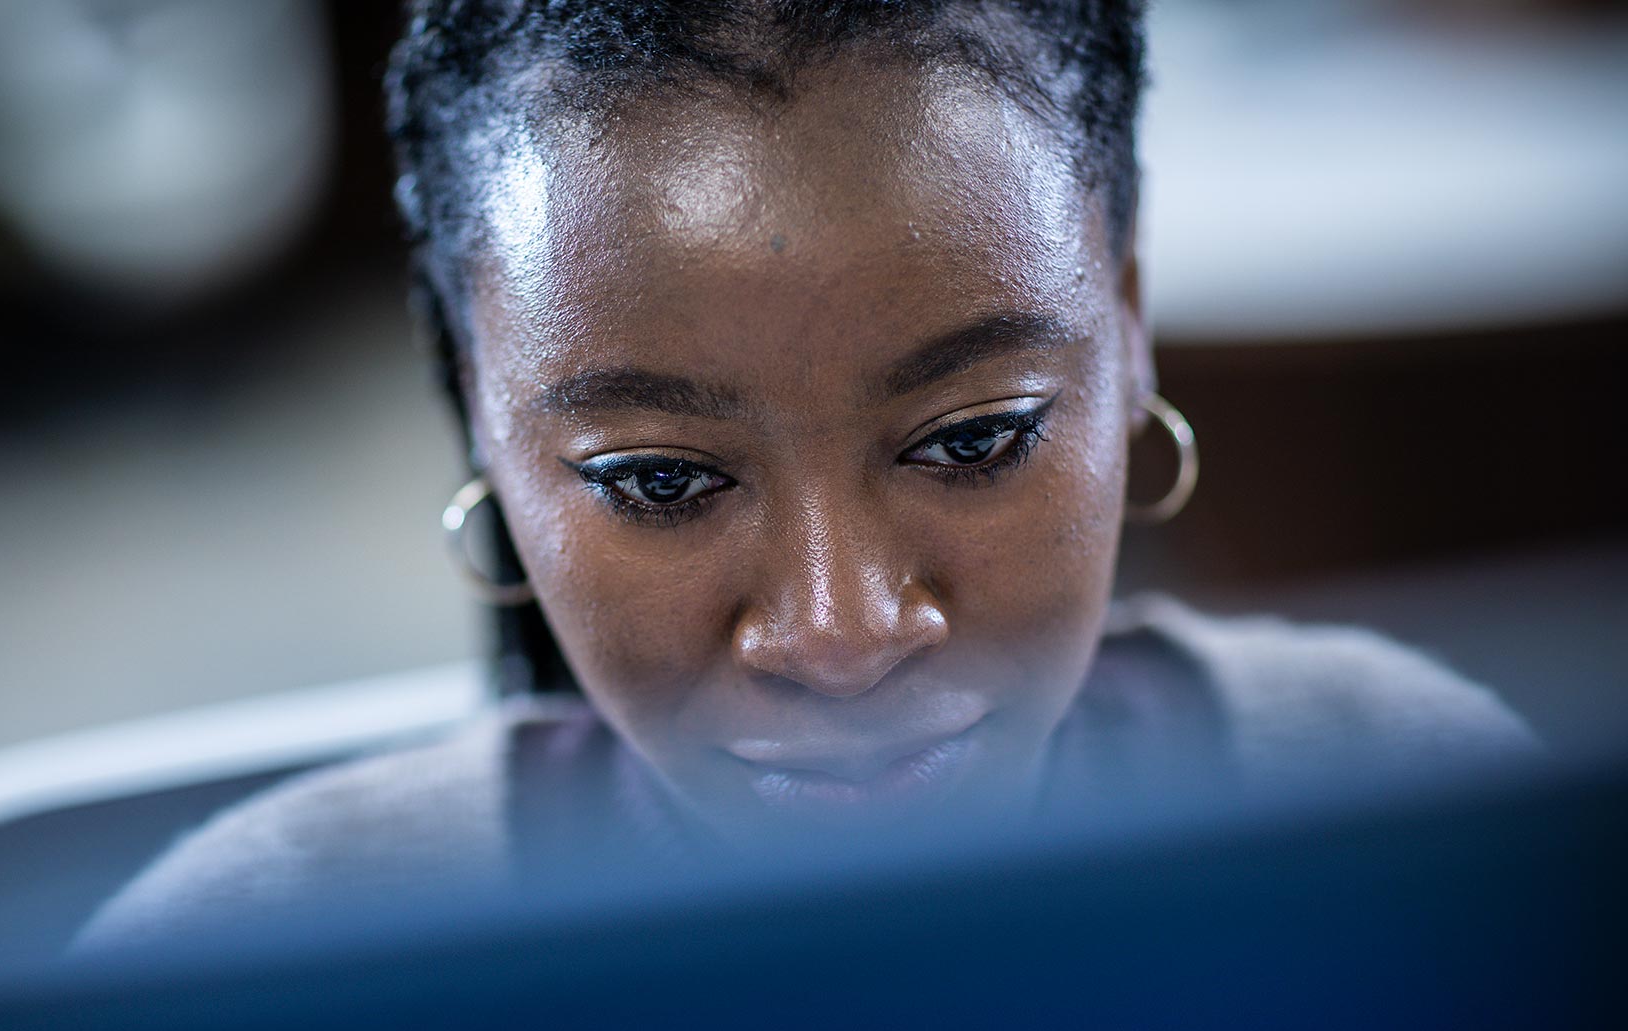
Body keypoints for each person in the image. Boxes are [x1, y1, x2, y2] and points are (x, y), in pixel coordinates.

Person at [76, 0, 1537, 952]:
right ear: (479, 417)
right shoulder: (253, 971)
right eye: (658, 480)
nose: (842, 634)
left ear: (1131, 324)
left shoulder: (1422, 823)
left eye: (974, 440)